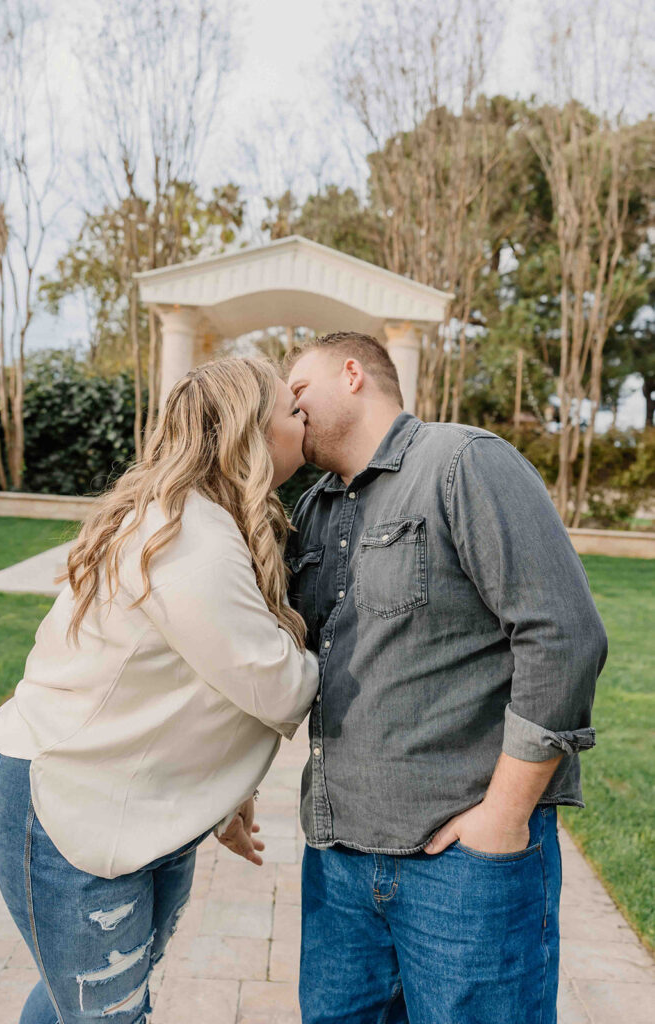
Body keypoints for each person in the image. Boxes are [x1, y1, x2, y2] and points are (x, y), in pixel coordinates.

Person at [0, 357, 319, 1024]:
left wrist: (228, 797)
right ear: (248, 433)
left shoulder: (213, 520)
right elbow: (274, 686)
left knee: (83, 1004)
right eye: (291, 409)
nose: (305, 415)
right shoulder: (189, 538)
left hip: (134, 801)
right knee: (106, 1011)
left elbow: (199, 680)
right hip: (67, 804)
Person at [285, 332, 608, 1024]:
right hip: (337, 864)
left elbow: (563, 635)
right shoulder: (311, 508)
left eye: (297, 388)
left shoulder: (462, 462)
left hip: (462, 869)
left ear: (352, 374)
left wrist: (502, 816)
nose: (288, 406)